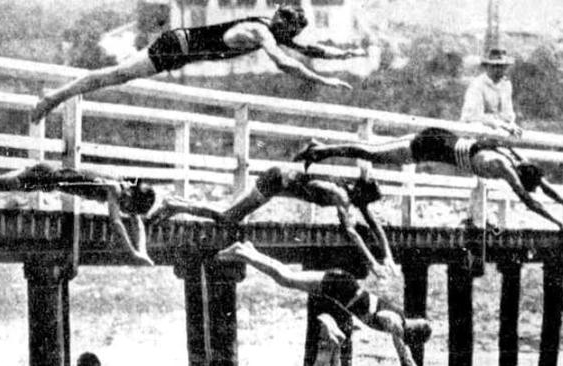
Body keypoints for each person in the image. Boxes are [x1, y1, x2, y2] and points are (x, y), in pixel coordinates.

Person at [31, 5, 362, 123]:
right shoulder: (262, 33)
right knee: (117, 76)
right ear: (284, 27)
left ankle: (55, 97)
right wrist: (323, 81)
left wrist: (342, 56)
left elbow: (309, 48)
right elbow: (283, 63)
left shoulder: (269, 26)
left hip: (180, 45)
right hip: (177, 47)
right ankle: (53, 98)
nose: (293, 39)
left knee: (117, 76)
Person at [147, 166, 400, 278]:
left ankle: (176, 203)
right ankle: (175, 204)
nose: (366, 209)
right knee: (227, 218)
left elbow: (373, 224)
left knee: (228, 218)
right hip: (275, 181)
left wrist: (386, 256)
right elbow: (351, 233)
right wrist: (372, 264)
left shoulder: (351, 195)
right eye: (367, 203)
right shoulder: (341, 196)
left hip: (279, 180)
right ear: (362, 194)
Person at [293, 127, 563, 229]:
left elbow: (543, 187)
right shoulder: (503, 167)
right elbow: (529, 201)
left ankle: (319, 150)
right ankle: (318, 150)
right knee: (371, 153)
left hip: (440, 139)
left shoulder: (513, 155)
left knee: (372, 153)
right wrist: (556, 222)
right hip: (428, 146)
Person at [216, 241, 431, 366]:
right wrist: (402, 351)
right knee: (286, 279)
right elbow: (387, 320)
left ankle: (249, 250)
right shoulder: (395, 321)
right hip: (340, 286)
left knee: (287, 277)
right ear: (412, 334)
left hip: (341, 287)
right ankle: (242, 253)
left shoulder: (399, 320)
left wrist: (405, 355)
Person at [0, 163, 156, 265]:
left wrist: (143, 252)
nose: (127, 212)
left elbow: (136, 222)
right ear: (130, 197)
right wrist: (132, 253)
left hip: (47, 177)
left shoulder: (125, 188)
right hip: (44, 177)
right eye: (129, 207)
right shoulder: (113, 188)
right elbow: (116, 223)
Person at [460, 48, 522, 137]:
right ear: (487, 67)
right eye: (495, 66)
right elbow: (475, 116)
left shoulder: (506, 85)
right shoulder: (477, 84)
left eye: (502, 66)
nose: (499, 70)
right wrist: (502, 125)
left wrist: (511, 125)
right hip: (475, 128)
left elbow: (508, 114)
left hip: (499, 128)